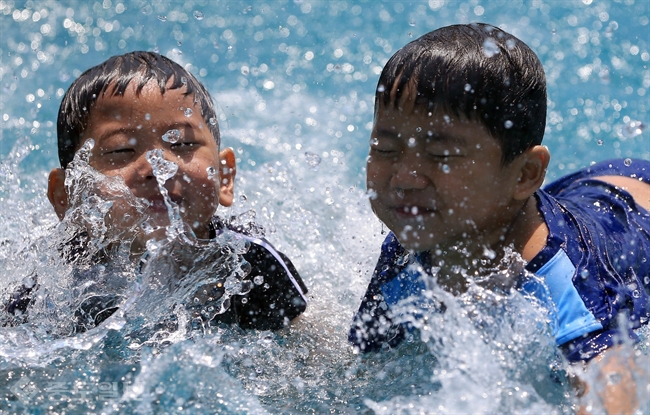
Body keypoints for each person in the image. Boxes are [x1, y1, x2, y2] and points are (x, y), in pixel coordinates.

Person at [348, 23, 649, 413]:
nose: (404, 178)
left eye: (441, 156)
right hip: (568, 197)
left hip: (634, 217)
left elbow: (612, 386)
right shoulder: (413, 240)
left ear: (524, 173)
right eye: (385, 148)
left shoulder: (564, 277)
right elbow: (360, 367)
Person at [4, 51, 307, 331]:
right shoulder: (55, 285)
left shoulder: (248, 263)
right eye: (121, 149)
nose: (158, 166)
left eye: (182, 144)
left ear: (224, 177)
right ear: (67, 197)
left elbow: (309, 350)